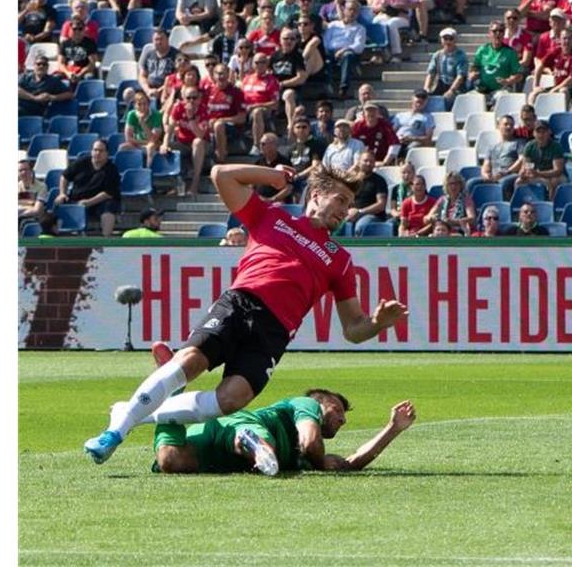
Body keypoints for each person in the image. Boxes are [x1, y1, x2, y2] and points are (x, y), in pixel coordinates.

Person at [83, 160, 410, 464]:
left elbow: (353, 329)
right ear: (317, 194)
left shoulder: (339, 259)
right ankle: (115, 432)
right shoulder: (273, 216)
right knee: (189, 362)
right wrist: (270, 176)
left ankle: (130, 411)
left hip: (275, 333)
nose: (344, 210)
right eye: (339, 200)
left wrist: (378, 323)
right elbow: (220, 174)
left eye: (348, 204)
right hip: (240, 303)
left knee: (232, 399)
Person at [151, 377, 416, 475]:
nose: (342, 418)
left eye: (343, 417)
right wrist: (320, 460)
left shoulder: (310, 459)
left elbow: (350, 463)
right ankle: (252, 442)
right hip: (238, 426)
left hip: (213, 456)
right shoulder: (304, 404)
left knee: (170, 461)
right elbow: (310, 442)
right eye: (336, 409)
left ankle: (171, 401)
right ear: (318, 403)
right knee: (266, 443)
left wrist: (392, 428)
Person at [55, 139, 121, 237]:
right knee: (58, 201)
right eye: (95, 150)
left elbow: (107, 193)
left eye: (101, 151)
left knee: (109, 208)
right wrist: (62, 193)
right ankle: (53, 236)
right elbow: (64, 177)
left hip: (99, 202)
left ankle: (106, 240)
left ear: (107, 153)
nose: (97, 153)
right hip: (76, 199)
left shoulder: (112, 170)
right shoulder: (82, 162)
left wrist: (88, 202)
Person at [424, 27, 469, 102]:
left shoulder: (461, 56)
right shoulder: (437, 55)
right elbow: (431, 73)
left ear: (455, 40)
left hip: (457, 87)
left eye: (451, 38)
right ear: (441, 40)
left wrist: (451, 90)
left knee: (449, 99)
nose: (448, 41)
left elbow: (460, 76)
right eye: (445, 39)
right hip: (441, 84)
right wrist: (426, 88)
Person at [429, 170, 477, 236]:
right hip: (442, 231)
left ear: (460, 185)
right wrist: (431, 218)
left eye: (456, 183)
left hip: (458, 232)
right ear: (446, 186)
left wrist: (454, 222)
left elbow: (472, 218)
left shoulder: (466, 199)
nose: (453, 186)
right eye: (451, 184)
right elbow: (426, 218)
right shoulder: (442, 199)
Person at [18, 159, 49, 225]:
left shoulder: (41, 186)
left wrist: (20, 214)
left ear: (31, 171)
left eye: (26, 169)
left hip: (33, 219)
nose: (23, 172)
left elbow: (37, 210)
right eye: (20, 170)